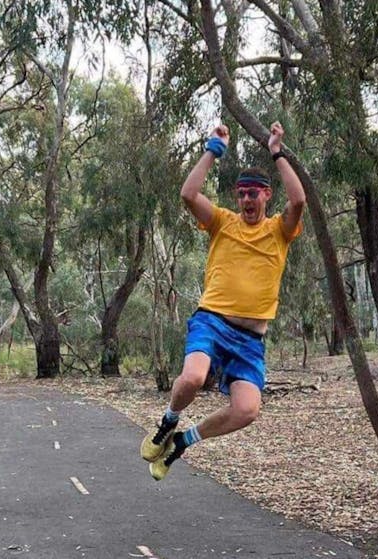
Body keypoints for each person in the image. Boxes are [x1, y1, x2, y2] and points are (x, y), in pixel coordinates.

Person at [140, 121, 306, 480]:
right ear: (237, 197)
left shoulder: (280, 230)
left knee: (247, 410)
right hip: (212, 321)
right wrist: (213, 149)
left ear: (266, 196)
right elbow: (188, 194)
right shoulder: (222, 222)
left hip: (250, 340)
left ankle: (183, 442)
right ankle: (168, 422)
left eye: (254, 193)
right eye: (242, 193)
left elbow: (299, 200)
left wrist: (277, 151)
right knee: (192, 379)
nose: (247, 199)